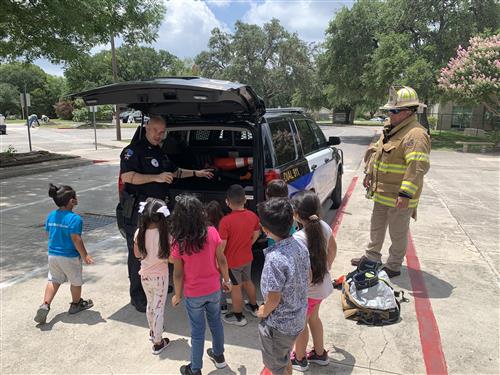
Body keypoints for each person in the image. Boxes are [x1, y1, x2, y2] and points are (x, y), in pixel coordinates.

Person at [119, 116, 214, 312]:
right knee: (138, 252)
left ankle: (158, 281)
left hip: (160, 211)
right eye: (155, 130)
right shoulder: (132, 151)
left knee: (161, 247)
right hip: (140, 211)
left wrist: (197, 173)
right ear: (147, 128)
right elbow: (127, 177)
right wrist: (157, 177)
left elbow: (175, 172)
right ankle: (137, 296)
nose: (158, 135)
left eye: (162, 132)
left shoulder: (159, 152)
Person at [351, 86, 431, 277]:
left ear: (409, 111)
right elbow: (378, 153)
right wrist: (369, 173)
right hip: (382, 192)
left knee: (398, 232)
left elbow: (417, 167)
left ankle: (394, 265)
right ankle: (372, 258)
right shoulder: (390, 130)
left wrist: (405, 194)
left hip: (400, 196)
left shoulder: (416, 135)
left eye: (394, 111)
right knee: (376, 227)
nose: (390, 114)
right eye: (389, 111)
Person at [170, 194, 232, 375]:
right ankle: (219, 356)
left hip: (193, 294)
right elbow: (222, 259)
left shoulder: (179, 241)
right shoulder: (212, 232)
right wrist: (226, 280)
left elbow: (178, 272)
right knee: (216, 323)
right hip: (214, 289)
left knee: (197, 332)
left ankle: (195, 369)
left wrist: (177, 295)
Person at [256, 198, 310, 375]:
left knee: (276, 366)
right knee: (284, 357)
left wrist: (263, 311)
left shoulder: (274, 259)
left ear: (266, 229)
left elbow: (273, 298)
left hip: (278, 327)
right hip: (298, 319)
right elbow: (308, 276)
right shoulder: (300, 244)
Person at [290, 191, 337, 371]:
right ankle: (319, 353)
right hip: (321, 286)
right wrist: (326, 269)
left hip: (308, 292)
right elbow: (333, 249)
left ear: (295, 214)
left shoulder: (297, 239)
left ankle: (300, 359)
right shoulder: (324, 226)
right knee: (314, 319)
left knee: (301, 325)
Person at [34, 184, 94, 325]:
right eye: (75, 196)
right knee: (75, 281)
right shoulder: (75, 219)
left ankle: (45, 304)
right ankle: (76, 304)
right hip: (69, 257)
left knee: (54, 280)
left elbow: (49, 232)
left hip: (53, 255)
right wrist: (85, 255)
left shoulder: (51, 215)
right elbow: (76, 239)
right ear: (72, 201)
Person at [133, 198, 171, 355]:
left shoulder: (138, 233)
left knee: (150, 304)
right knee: (159, 308)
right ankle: (158, 342)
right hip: (161, 277)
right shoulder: (165, 235)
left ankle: (152, 331)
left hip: (145, 275)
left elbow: (137, 254)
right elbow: (169, 257)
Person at [219, 184, 260, 326]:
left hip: (232, 261)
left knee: (236, 287)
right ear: (245, 200)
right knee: (248, 281)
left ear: (227, 202)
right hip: (247, 257)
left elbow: (222, 245)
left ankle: (238, 316)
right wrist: (248, 244)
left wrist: (219, 260)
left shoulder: (225, 222)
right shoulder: (253, 216)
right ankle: (254, 307)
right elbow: (256, 233)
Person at [265, 179, 296, 247]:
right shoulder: (290, 206)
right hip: (291, 240)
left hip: (275, 244)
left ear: (269, 195)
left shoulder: (270, 210)